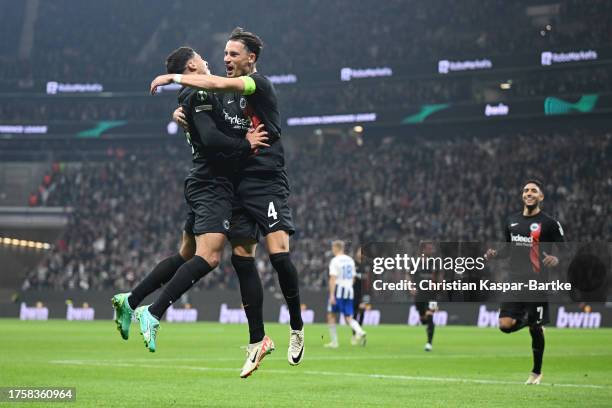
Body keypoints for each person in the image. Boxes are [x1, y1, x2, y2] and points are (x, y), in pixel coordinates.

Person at [112, 46, 273, 378]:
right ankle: (152, 312)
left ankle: (130, 301)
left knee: (186, 253)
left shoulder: (206, 93)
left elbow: (214, 121)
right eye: (202, 58)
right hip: (212, 184)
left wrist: (185, 118)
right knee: (210, 257)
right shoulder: (197, 94)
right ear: (191, 65)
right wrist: (246, 143)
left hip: (217, 182)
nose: (212, 60)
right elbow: (213, 138)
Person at [151, 27, 305, 372]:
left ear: (251, 58)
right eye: (224, 54)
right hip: (237, 182)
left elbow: (216, 84)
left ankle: (297, 327)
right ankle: (257, 341)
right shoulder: (223, 94)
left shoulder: (256, 85)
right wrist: (183, 116)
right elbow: (209, 121)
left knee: (279, 256)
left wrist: (174, 77)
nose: (226, 60)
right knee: (241, 258)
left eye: (233, 54)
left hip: (266, 181)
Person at [485, 179, 565, 385]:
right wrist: (495, 254)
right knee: (505, 325)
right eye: (526, 190)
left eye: (534, 191)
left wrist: (556, 259)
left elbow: (566, 249)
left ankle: (536, 373)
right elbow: (507, 249)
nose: (529, 193)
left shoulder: (550, 223)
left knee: (535, 329)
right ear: (523, 196)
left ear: (541, 197)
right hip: (514, 281)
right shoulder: (511, 221)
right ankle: (533, 321)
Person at [324, 240, 366, 348]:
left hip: (338, 291)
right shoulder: (350, 260)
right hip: (349, 291)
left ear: (336, 248)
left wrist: (332, 295)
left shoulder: (335, 260)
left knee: (331, 315)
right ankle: (360, 332)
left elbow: (333, 279)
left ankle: (334, 342)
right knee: (348, 317)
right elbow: (353, 278)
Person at [411, 241, 438, 352]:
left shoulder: (434, 263)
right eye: (429, 248)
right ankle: (428, 326)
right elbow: (408, 275)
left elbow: (437, 276)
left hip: (431, 294)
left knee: (430, 315)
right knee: (423, 319)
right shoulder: (416, 262)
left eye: (432, 248)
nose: (431, 250)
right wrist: (410, 286)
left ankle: (429, 343)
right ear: (423, 249)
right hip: (419, 295)